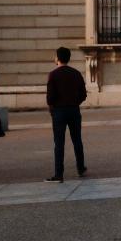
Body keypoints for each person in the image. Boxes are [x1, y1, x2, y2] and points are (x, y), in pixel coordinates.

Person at [45, 47, 87, 183]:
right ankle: (80, 168)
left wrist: (53, 108)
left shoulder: (53, 74)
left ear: (57, 58)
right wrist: (75, 102)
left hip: (59, 111)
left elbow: (50, 97)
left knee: (59, 143)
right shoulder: (76, 73)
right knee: (77, 140)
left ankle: (59, 174)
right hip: (74, 110)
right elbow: (83, 94)